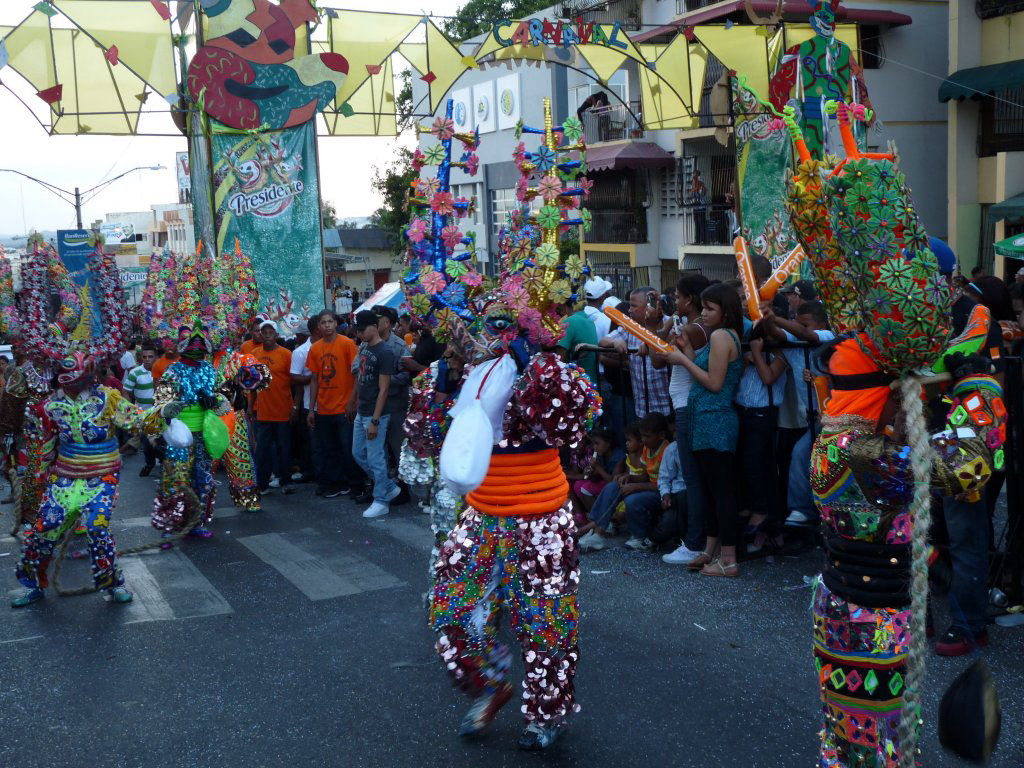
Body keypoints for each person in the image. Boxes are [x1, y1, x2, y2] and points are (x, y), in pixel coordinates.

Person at [665, 283, 743, 577]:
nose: (705, 313)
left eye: (711, 308)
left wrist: (683, 359)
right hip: (706, 419)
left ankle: (728, 559)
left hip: (715, 421)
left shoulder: (723, 336)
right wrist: (686, 348)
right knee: (712, 490)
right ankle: (710, 552)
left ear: (725, 312)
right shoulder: (720, 336)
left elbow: (713, 383)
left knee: (721, 491)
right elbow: (703, 369)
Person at [151, 326, 232, 543]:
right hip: (179, 438)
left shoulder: (209, 369)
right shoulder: (173, 371)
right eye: (191, 345)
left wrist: (214, 401)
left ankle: (195, 523)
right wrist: (170, 409)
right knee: (176, 480)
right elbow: (160, 403)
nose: (197, 349)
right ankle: (170, 527)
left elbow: (224, 397)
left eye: (200, 345)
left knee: (202, 479)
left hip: (203, 435)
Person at [655, 273, 710, 565]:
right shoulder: (688, 326)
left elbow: (658, 355)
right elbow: (656, 357)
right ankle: (697, 539)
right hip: (684, 404)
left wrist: (665, 331)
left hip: (690, 405)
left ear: (690, 299)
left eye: (677, 296)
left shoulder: (695, 329)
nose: (674, 301)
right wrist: (663, 326)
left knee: (693, 477)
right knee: (695, 476)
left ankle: (694, 541)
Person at [350, 310, 400, 518]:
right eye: (358, 330)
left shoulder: (385, 352)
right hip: (363, 410)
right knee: (358, 453)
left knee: (376, 457)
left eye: (362, 329)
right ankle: (388, 486)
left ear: (374, 326)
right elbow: (361, 378)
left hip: (375, 414)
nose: (360, 333)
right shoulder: (363, 347)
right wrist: (354, 401)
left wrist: (375, 420)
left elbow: (384, 389)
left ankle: (381, 500)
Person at [306, 310, 359, 498]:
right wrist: (311, 409)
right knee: (330, 449)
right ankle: (337, 484)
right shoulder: (314, 348)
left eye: (330, 321)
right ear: (318, 326)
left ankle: (354, 484)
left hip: (344, 406)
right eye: (323, 322)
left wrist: (353, 401)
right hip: (324, 408)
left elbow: (356, 375)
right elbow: (314, 379)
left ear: (336, 323)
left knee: (348, 448)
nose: (327, 325)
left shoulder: (347, 344)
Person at [598, 287, 671, 419]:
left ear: (649, 306)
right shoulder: (630, 326)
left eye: (633, 306)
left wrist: (650, 346)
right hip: (642, 407)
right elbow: (603, 341)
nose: (629, 310)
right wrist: (615, 342)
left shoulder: (669, 324)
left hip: (667, 406)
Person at [578, 423, 642, 550]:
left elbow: (644, 477)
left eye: (629, 440)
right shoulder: (630, 456)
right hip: (622, 488)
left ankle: (587, 530)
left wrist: (599, 468)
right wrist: (591, 472)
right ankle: (598, 531)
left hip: (636, 490)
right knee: (596, 487)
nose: (626, 444)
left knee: (612, 487)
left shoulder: (621, 456)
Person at [372, 305, 412, 503]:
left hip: (395, 404)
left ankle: (403, 491)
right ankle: (381, 488)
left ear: (386, 323)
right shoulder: (366, 345)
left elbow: (406, 375)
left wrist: (384, 381)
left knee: (397, 448)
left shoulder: (399, 346)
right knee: (377, 450)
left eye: (376, 320)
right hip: (374, 405)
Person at [252, 320, 294, 495]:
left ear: (277, 335)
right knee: (262, 450)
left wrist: (295, 406)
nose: (268, 334)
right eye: (264, 332)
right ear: (260, 335)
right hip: (262, 411)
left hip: (283, 409)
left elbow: (294, 382)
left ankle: (285, 481)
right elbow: (251, 383)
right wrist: (250, 406)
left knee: (284, 448)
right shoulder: (254, 354)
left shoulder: (286, 354)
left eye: (271, 332)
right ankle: (262, 484)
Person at [622, 412, 670, 551]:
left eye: (647, 436)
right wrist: (629, 478)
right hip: (651, 486)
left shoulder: (666, 450)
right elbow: (644, 476)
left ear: (661, 435)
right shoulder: (647, 450)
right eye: (642, 436)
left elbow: (664, 484)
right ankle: (601, 527)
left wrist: (636, 486)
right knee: (617, 487)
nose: (643, 440)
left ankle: (639, 536)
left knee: (633, 500)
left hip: (663, 492)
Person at [290, 316, 320, 483]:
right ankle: (313, 473)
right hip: (311, 404)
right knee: (312, 442)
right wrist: (314, 378)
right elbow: (294, 379)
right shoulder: (300, 352)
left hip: (333, 403)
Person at [124, 342, 159, 476]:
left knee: (161, 439)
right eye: (144, 357)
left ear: (155, 357)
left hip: (159, 412)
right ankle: (150, 463)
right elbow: (126, 391)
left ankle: (160, 461)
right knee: (147, 442)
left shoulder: (163, 371)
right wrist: (131, 408)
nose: (147, 360)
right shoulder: (135, 373)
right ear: (141, 358)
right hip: (144, 413)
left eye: (150, 357)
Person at [555, 298, 599, 383]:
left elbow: (559, 357)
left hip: (577, 381)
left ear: (567, 307)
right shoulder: (590, 322)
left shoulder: (569, 321)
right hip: (591, 381)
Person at [690, 169, 710, 244]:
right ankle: (697, 240)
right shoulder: (693, 183)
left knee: (701, 224)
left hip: (701, 206)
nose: (693, 176)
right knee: (697, 224)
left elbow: (703, 192)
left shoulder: (700, 181)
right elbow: (692, 193)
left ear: (697, 175)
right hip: (696, 206)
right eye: (693, 174)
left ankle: (703, 240)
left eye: (694, 174)